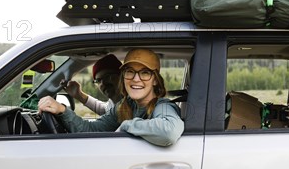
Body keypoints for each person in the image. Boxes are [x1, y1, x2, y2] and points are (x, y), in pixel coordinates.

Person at [39, 48, 184, 147]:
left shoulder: (163, 106)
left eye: (145, 73)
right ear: (124, 77)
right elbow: (91, 131)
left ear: (155, 80)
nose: (136, 79)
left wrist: (127, 125)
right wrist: (62, 110)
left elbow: (169, 132)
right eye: (130, 72)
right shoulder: (124, 106)